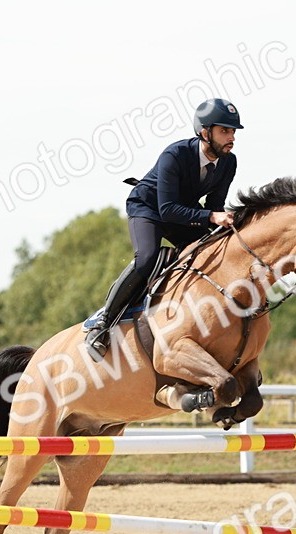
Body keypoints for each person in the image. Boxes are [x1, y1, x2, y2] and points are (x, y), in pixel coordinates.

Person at [83, 98, 243, 360]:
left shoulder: (229, 162)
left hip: (182, 213)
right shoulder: (175, 155)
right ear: (205, 132)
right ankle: (103, 322)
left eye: (233, 132)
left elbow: (215, 205)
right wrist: (212, 216)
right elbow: (167, 209)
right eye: (224, 131)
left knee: (213, 249)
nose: (232, 138)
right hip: (148, 208)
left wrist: (224, 224)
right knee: (147, 258)